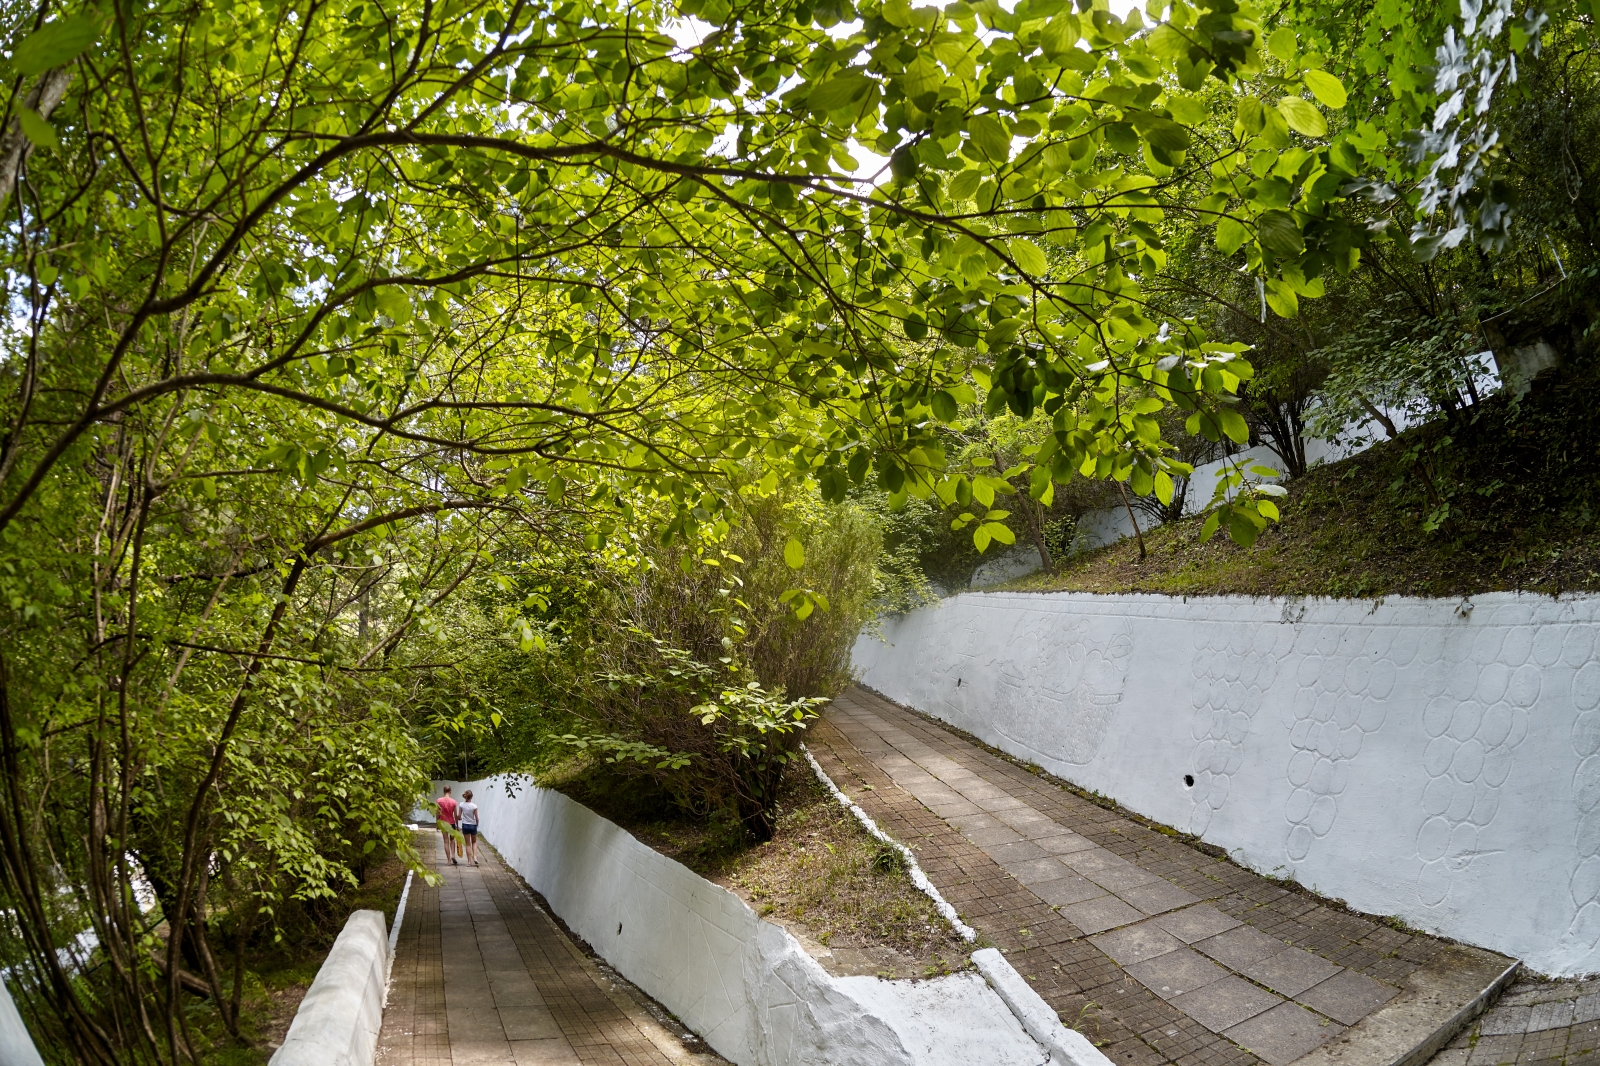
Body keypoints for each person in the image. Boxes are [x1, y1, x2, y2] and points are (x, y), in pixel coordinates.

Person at [435, 785, 460, 866]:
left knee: (446, 841)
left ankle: (449, 860)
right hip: (452, 823)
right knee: (452, 840)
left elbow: (437, 813)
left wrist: (437, 823)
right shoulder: (454, 802)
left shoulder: (439, 801)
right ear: (450, 791)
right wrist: (457, 825)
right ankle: (453, 855)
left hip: (443, 823)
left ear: (444, 791)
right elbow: (455, 815)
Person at [459, 789, 481, 867]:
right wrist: (477, 824)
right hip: (473, 825)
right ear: (472, 797)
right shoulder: (474, 806)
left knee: (468, 844)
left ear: (465, 796)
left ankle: (469, 862)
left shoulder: (461, 804)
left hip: (465, 825)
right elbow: (477, 818)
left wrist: (459, 818)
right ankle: (475, 857)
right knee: (474, 842)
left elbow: (459, 816)